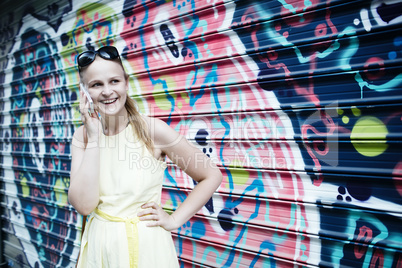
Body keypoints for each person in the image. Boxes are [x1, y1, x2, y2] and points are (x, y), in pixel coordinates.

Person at [68, 46, 222, 267]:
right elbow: (84, 205)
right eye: (96, 85)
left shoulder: (152, 130)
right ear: (85, 92)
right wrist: (93, 138)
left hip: (147, 251)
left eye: (114, 81)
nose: (107, 91)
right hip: (99, 251)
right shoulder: (82, 137)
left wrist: (174, 219)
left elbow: (211, 175)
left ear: (126, 83)